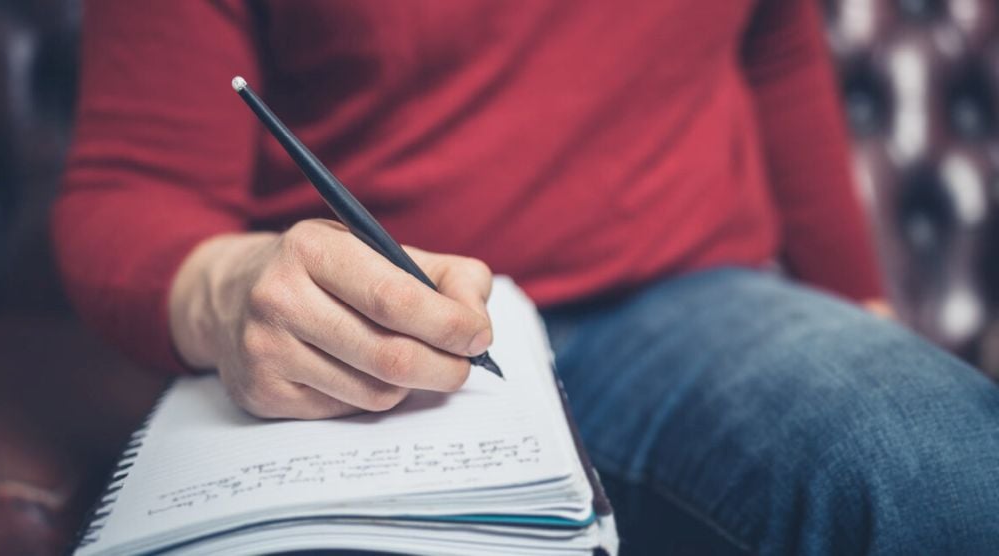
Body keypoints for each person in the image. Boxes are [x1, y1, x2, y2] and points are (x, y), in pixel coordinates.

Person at [53, 1, 999, 553]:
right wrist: (231, 290)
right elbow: (131, 185)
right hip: (360, 339)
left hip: (689, 295)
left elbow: (773, 37)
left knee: (939, 468)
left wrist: (859, 305)